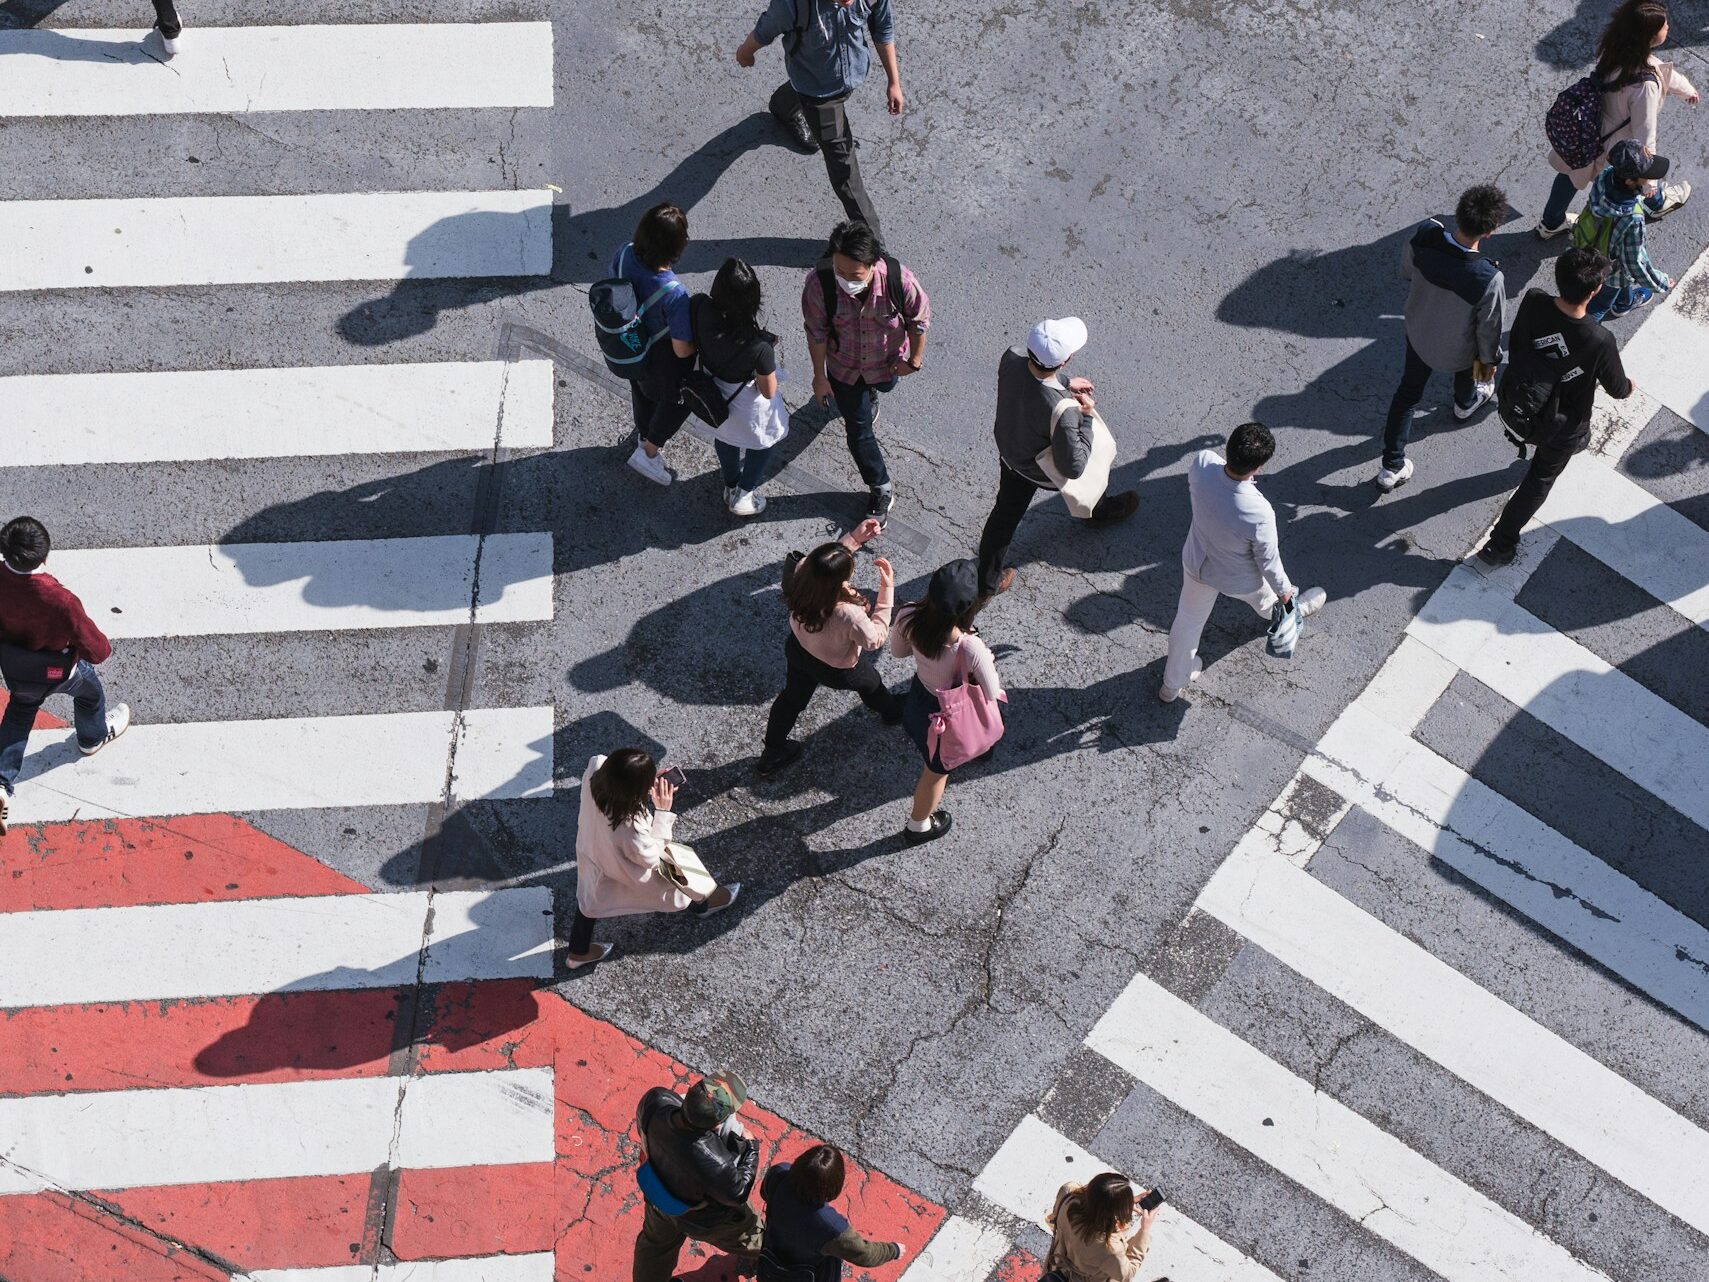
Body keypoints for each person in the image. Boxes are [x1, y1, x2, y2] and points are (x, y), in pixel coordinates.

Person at [1478, 248, 1634, 567]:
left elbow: (1518, 345)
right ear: (1595, 291)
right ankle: (1501, 541)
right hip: (1561, 426)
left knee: (1542, 471)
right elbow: (1618, 389)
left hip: (1519, 401)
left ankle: (1502, 546)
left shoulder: (1534, 300)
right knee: (1541, 477)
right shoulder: (1599, 339)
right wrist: (1630, 384)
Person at [975, 317, 1138, 600]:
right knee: (1091, 467)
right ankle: (1097, 512)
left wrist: (1063, 382)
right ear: (1065, 361)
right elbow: (1073, 467)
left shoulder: (1011, 356)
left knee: (1003, 517)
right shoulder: (1064, 410)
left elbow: (1033, 378)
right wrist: (1085, 419)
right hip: (1037, 469)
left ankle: (987, 582)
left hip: (1009, 449)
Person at [1161, 424, 1325, 703]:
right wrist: (1286, 593)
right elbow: (1269, 562)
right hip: (1237, 578)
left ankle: (1171, 686)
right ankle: (1295, 609)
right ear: (1259, 467)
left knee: (1187, 622)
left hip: (1197, 562)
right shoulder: (1258, 511)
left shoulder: (1202, 463)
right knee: (1270, 603)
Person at [1375, 185, 1511, 493]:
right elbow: (1488, 331)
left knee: (1407, 395)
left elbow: (1407, 271)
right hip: (1458, 351)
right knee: (1475, 364)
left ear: (1458, 212)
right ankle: (1466, 401)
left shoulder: (1425, 234)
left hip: (1418, 333)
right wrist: (1490, 364)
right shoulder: (1488, 278)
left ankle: (1391, 466)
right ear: (1490, 232)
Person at [0, 517, 130, 837]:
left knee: (19, 714)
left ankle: (2, 780)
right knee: (91, 695)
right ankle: (91, 738)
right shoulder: (60, 600)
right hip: (58, 670)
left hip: (16, 669)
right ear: (45, 555)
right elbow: (97, 649)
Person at [735, 0, 902, 239]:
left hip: (844, 74)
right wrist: (745, 52)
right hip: (817, 94)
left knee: (812, 85)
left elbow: (882, 26)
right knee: (843, 165)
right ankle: (875, 242)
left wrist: (893, 82)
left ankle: (784, 104)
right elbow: (765, 29)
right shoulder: (793, 4)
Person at [802, 220, 931, 522]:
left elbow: (919, 320)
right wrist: (819, 377)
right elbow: (817, 333)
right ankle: (880, 487)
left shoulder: (901, 282)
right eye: (840, 271)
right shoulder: (818, 284)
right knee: (858, 431)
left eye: (854, 274)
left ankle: (872, 393)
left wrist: (914, 360)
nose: (846, 280)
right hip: (843, 369)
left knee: (884, 388)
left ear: (874, 264)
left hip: (886, 366)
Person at [1536, 0, 1696, 239]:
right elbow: (1645, 136)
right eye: (1664, 26)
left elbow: (1659, 69)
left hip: (1588, 127)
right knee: (1632, 182)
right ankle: (1657, 203)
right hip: (1614, 145)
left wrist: (1687, 90)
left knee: (1570, 175)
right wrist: (1649, 182)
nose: (1669, 28)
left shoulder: (1617, 49)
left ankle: (1550, 223)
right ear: (1650, 36)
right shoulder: (1645, 87)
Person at [758, 517, 902, 775]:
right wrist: (886, 590)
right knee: (872, 685)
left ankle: (772, 751)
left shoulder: (802, 572)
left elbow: (820, 564)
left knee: (791, 699)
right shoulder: (848, 614)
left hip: (799, 650)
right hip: (837, 669)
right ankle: (891, 712)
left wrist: (854, 539)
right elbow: (875, 639)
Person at [570, 749, 739, 967]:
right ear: (637, 789)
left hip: (592, 852)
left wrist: (639, 781)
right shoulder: (630, 827)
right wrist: (663, 812)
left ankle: (578, 953)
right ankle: (705, 902)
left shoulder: (596, 767)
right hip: (621, 868)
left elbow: (616, 773)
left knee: (589, 900)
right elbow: (652, 857)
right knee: (677, 878)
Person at [890, 559, 1004, 846]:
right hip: (946, 719)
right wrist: (986, 657)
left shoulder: (907, 615)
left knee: (927, 749)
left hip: (919, 700)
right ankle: (918, 825)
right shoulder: (969, 646)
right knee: (934, 774)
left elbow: (897, 652)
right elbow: (991, 691)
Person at [633, 1072, 763, 1282]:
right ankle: (780, 1263)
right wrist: (751, 1148)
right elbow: (738, 1192)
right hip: (699, 1219)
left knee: (654, 1248)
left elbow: (643, 1128)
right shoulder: (716, 1160)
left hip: (658, 1197)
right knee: (755, 1239)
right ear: (715, 1125)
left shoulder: (657, 1100)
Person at [694, 258, 792, 517]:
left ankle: (730, 484)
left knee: (725, 438)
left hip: (713, 397)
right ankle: (744, 494)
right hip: (746, 406)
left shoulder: (701, 308)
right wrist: (766, 353)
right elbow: (768, 390)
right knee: (763, 444)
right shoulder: (759, 347)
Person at [612, 203, 697, 487]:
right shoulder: (674, 293)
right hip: (658, 360)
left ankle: (643, 432)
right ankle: (647, 452)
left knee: (640, 389)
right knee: (677, 402)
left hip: (629, 347)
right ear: (676, 246)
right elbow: (682, 349)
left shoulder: (624, 252)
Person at [759, 1144, 904, 1280]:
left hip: (771, 1256)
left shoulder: (779, 1173)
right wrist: (893, 1250)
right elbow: (865, 1254)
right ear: (833, 1187)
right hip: (807, 1273)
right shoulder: (831, 1227)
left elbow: (765, 1193)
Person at [1580, 141, 1677, 320]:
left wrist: (1640, 190)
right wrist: (1661, 283)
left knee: (1623, 279)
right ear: (1630, 181)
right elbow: (1635, 263)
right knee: (1599, 305)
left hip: (1590, 244)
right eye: (1646, 175)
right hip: (1609, 270)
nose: (1651, 178)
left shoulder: (1606, 176)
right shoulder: (1632, 218)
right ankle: (1582, 336)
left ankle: (1625, 303)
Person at [1044, 1173, 1160, 1282]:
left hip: (1055, 1266)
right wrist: (1144, 1230)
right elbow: (1127, 1273)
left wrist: (1119, 1203)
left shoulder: (1068, 1193)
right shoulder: (1109, 1248)